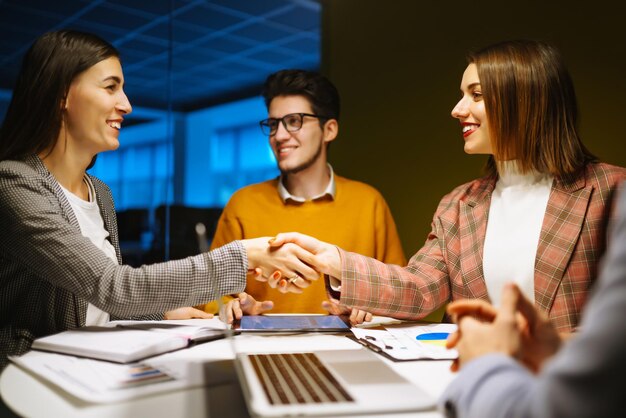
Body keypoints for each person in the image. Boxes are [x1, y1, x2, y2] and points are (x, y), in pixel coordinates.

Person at [0, 30, 316, 371]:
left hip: (94, 364)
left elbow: (96, 302)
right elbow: (111, 286)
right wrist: (242, 257)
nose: (126, 104)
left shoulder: (100, 192)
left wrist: (163, 312)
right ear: (62, 92)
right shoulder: (15, 183)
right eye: (110, 87)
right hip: (31, 375)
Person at [267, 40, 626, 332]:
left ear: (527, 99)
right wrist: (333, 260)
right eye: (462, 94)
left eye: (477, 94)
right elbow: (419, 289)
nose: (457, 109)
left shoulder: (611, 192)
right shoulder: (458, 204)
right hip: (479, 389)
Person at [200, 69, 407, 324]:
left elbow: (398, 294)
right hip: (261, 351)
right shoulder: (242, 203)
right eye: (274, 124)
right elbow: (209, 293)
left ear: (329, 130)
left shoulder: (369, 202)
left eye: (294, 121)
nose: (279, 135)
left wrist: (368, 307)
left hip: (348, 351)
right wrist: (235, 306)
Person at [438, 183, 626, 418]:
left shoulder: (613, 186)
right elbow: (422, 284)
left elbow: (563, 408)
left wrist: (484, 364)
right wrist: (559, 348)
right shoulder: (458, 200)